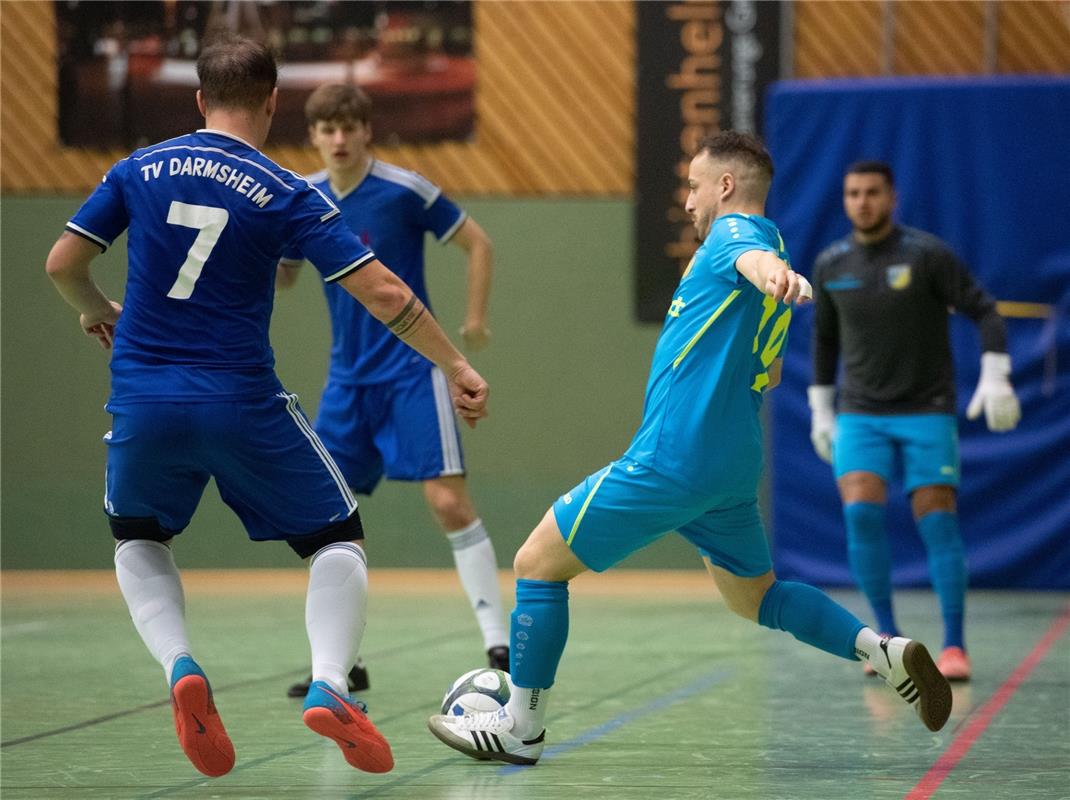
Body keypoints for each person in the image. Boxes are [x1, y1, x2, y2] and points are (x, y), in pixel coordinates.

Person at [427, 133, 953, 766]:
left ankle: (521, 727)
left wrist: (774, 275)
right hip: (731, 462)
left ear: (725, 187)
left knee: (537, 562)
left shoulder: (736, 238)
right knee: (756, 597)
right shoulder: (772, 243)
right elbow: (773, 368)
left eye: (694, 185)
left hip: (675, 457)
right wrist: (775, 277)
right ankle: (880, 650)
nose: (688, 200)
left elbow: (752, 259)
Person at [45, 35, 488, 778]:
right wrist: (456, 362)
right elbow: (384, 292)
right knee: (337, 537)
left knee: (139, 538)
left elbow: (63, 262)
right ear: (274, 101)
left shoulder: (137, 169)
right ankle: (331, 683)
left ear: (199, 99)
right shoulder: (286, 189)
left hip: (143, 397)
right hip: (241, 397)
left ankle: (181, 666)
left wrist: (96, 311)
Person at [276, 84, 507, 699]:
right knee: (323, 518)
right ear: (314, 136)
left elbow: (477, 242)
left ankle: (499, 645)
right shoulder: (302, 199)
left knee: (448, 503)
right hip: (348, 381)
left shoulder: (406, 190)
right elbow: (286, 278)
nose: (339, 138)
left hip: (412, 372)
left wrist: (475, 320)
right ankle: (341, 664)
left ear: (366, 130)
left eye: (349, 125)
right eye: (327, 128)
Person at [807, 161, 1021, 683]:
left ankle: (954, 645)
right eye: (853, 193)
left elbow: (985, 310)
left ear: (892, 197)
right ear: (844, 200)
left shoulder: (926, 255)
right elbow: (825, 341)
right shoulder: (832, 263)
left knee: (938, 521)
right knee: (859, 516)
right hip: (861, 414)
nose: (862, 201)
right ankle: (885, 643)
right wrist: (820, 408)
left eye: (872, 192)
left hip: (926, 409)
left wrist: (996, 375)